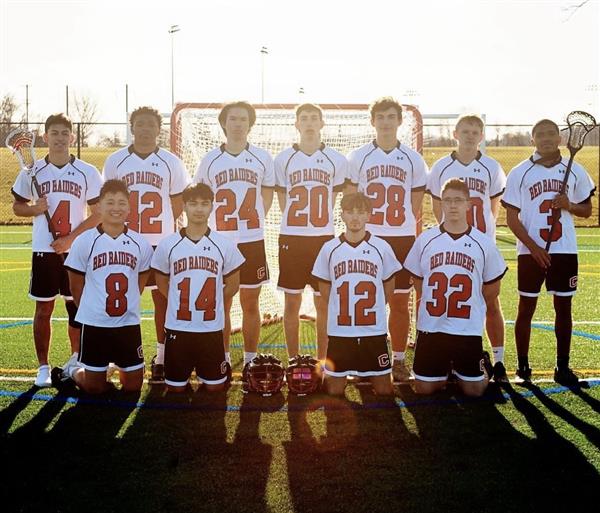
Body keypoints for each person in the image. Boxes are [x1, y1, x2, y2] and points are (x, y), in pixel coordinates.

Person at [11, 113, 103, 387]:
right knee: (44, 309)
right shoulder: (33, 170)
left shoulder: (87, 171)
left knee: (77, 308)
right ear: (45, 137)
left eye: (65, 133)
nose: (60, 138)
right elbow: (17, 207)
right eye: (55, 133)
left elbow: (97, 214)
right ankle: (43, 366)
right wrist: (33, 209)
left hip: (76, 252)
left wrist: (70, 239)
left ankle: (76, 358)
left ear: (72, 137)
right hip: (43, 250)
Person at [502, 119, 596, 385]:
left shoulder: (574, 170)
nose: (545, 138)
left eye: (550, 133)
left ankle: (562, 367)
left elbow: (587, 211)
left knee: (563, 307)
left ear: (559, 138)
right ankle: (522, 367)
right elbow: (511, 218)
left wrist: (569, 205)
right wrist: (533, 249)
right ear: (532, 140)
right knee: (526, 307)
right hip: (530, 252)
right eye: (539, 134)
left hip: (564, 249)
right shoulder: (520, 172)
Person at [103, 106, 190, 381]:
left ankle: (163, 356)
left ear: (158, 128)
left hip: (160, 243)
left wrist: (163, 232)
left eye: (151, 124)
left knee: (163, 299)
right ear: (132, 127)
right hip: (125, 241)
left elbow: (177, 205)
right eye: (140, 124)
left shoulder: (171, 162)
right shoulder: (115, 161)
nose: (145, 129)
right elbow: (109, 202)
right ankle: (118, 354)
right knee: (122, 299)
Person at [347, 97, 428, 382]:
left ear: (399, 121)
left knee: (399, 301)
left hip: (401, 238)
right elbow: (350, 200)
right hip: (369, 239)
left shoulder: (413, 159)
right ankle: (364, 360)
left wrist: (399, 224)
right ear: (373, 121)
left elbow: (415, 204)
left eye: (391, 116)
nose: (385, 121)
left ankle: (397, 360)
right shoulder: (358, 157)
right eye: (380, 116)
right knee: (367, 300)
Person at [404, 178, 507, 397]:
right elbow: (417, 279)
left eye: (458, 200)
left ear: (468, 204)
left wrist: (472, 305)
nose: (452, 205)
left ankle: (483, 363)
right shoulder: (426, 240)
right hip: (432, 327)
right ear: (441, 203)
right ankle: (446, 369)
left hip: (466, 329)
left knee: (474, 392)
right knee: (424, 389)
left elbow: (492, 289)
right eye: (447, 200)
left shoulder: (483, 242)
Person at [193, 101, 274, 377]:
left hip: (252, 240)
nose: (238, 123)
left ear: (250, 124)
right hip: (220, 242)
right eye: (233, 119)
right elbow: (200, 199)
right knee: (222, 303)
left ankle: (250, 359)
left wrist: (253, 223)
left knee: (250, 302)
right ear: (224, 123)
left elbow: (267, 197)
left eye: (243, 119)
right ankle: (224, 357)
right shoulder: (210, 161)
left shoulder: (263, 157)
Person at [427, 114, 508, 381]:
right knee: (453, 300)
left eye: (476, 132)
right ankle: (452, 360)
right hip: (450, 244)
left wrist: (481, 236)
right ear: (455, 134)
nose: (470, 135)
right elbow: (438, 206)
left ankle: (498, 360)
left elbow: (492, 208)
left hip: (481, 245)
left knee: (490, 300)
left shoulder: (491, 167)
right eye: (466, 131)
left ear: (481, 136)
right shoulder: (440, 166)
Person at [55, 179, 153, 394]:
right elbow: (75, 285)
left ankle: (112, 365)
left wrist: (127, 305)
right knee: (94, 388)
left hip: (127, 323)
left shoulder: (140, 243)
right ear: (99, 206)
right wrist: (91, 311)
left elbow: (141, 279)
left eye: (121, 203)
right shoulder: (84, 241)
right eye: (110, 203)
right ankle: (72, 370)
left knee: (133, 387)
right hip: (95, 324)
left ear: (129, 207)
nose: (115, 208)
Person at [151, 183, 245, 392]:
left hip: (210, 328)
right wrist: (180, 300)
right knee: (175, 388)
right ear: (184, 206)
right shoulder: (168, 244)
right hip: (178, 327)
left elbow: (233, 285)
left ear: (212, 207)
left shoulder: (224, 244)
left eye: (204, 204)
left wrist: (213, 301)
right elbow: (161, 282)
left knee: (215, 388)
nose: (199, 209)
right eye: (193, 204)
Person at [274, 103, 348, 365]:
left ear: (321, 123)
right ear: (296, 124)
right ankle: (293, 360)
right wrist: (297, 226)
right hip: (292, 239)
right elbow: (283, 198)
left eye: (313, 118)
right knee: (292, 303)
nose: (308, 123)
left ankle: (322, 363)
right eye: (303, 118)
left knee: (324, 304)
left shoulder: (336, 159)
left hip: (323, 240)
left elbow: (336, 197)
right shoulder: (283, 159)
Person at [312, 192, 401, 395]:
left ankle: (368, 372)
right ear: (342, 215)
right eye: (350, 212)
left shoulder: (381, 247)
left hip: (373, 331)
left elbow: (389, 286)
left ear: (369, 216)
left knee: (385, 390)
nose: (355, 217)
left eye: (360, 212)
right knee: (333, 391)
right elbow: (325, 290)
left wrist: (375, 307)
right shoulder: (329, 249)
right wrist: (340, 307)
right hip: (341, 332)